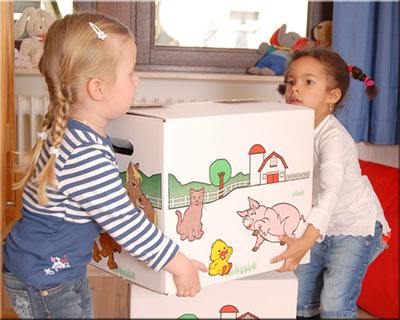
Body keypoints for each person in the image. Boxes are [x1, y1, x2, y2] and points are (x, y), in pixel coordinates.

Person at [2, 12, 207, 319]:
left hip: (51, 267)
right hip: (46, 276)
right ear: (97, 89)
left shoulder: (74, 134)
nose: (137, 79)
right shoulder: (85, 152)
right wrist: (178, 263)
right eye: (130, 72)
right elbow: (125, 222)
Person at [271, 48, 391, 319]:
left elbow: (330, 192)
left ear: (332, 96)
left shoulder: (333, 138)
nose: (295, 89)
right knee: (298, 298)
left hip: (353, 225)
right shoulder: (291, 130)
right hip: (317, 225)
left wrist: (304, 242)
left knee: (335, 299)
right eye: (291, 82)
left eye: (308, 82)